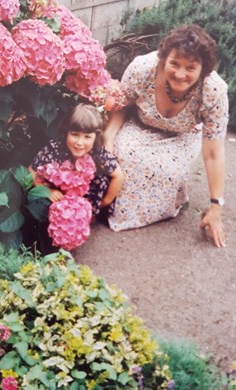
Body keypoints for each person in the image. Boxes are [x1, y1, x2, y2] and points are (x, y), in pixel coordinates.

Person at [103, 24, 229, 248]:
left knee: (166, 171)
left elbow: (212, 153)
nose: (180, 74)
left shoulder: (214, 91)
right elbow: (122, 104)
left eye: (191, 68)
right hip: (140, 125)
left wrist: (216, 205)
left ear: (204, 69)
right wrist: (109, 138)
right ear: (163, 59)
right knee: (122, 158)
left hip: (182, 136)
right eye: (174, 64)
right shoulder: (143, 68)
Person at [29, 102, 125, 220]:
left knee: (103, 178)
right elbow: (32, 170)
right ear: (66, 132)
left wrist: (104, 202)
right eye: (75, 135)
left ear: (96, 137)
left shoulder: (98, 152)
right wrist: (48, 191)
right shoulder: (54, 148)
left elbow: (118, 176)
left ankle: (87, 217)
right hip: (59, 196)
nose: (79, 143)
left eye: (87, 137)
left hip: (86, 199)